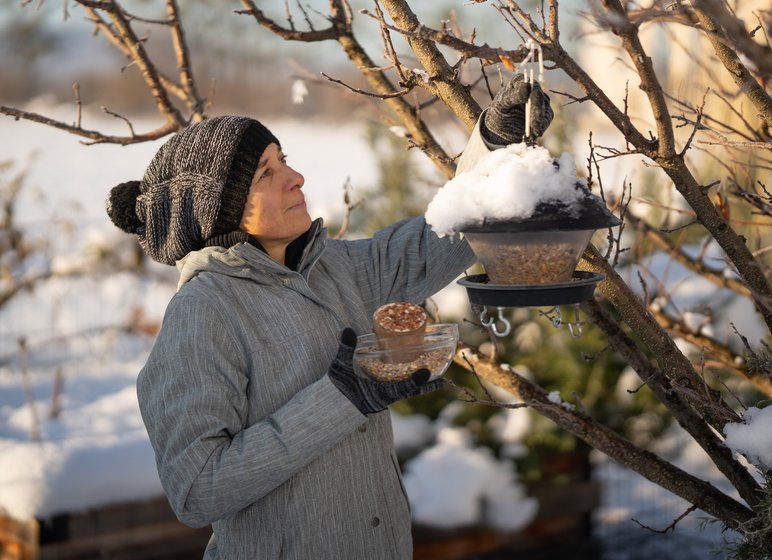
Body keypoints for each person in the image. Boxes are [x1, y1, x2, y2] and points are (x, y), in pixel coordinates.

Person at [105, 73, 552, 559]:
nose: (295, 178)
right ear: (219, 213)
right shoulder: (203, 314)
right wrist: (346, 395)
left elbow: (440, 237)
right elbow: (196, 491)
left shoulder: (334, 268)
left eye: (284, 161)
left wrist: (496, 143)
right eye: (265, 174)